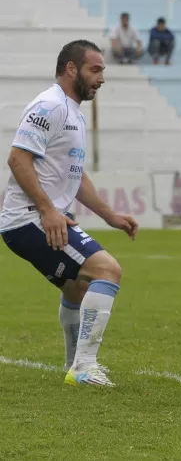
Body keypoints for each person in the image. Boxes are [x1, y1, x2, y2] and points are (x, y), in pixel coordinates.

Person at [0, 40, 139, 387]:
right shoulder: (50, 106)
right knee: (107, 270)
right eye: (96, 69)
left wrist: (110, 216)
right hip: (29, 218)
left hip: (33, 218)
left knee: (78, 287)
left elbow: (75, 176)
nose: (102, 78)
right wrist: (48, 211)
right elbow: (18, 159)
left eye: (103, 70)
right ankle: (84, 366)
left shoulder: (73, 111)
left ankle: (74, 363)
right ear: (72, 69)